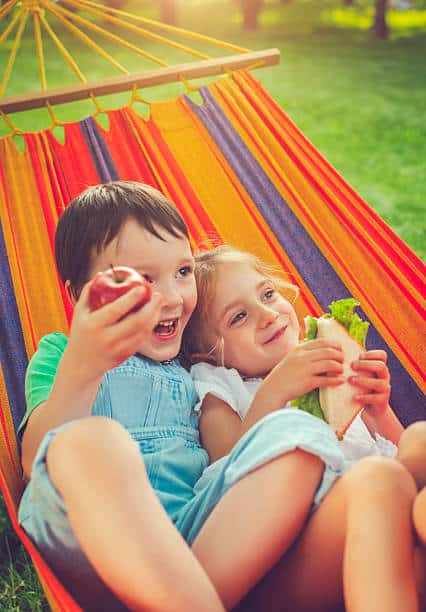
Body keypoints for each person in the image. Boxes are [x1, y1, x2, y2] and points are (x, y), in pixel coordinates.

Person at [18, 183, 422, 612]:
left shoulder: (198, 371)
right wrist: (87, 359)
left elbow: (231, 464)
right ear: (81, 297)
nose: (172, 298)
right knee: (91, 442)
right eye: (143, 280)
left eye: (183, 272)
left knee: (303, 437)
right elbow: (34, 458)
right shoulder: (63, 354)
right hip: (89, 534)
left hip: (199, 540)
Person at [183, 243, 426, 610]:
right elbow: (229, 463)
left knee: (420, 437)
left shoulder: (326, 359)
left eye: (267, 294)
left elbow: (391, 450)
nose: (267, 315)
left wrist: (378, 409)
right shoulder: (219, 384)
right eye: (238, 317)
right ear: (209, 353)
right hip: (310, 539)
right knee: (382, 479)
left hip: (387, 522)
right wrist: (278, 387)